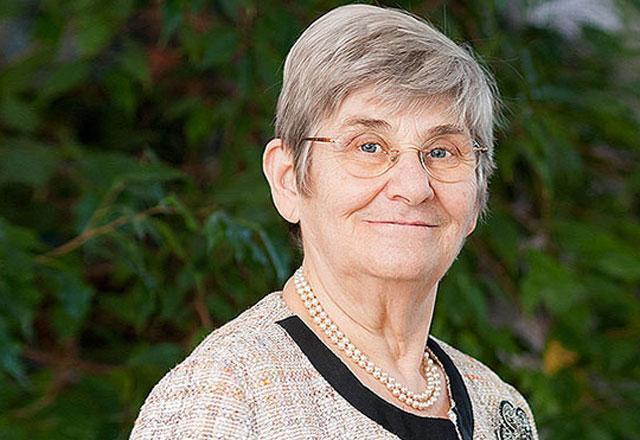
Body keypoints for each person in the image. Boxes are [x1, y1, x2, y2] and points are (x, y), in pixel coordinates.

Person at [131, 4, 538, 439]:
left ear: (476, 192)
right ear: (288, 179)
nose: (413, 187)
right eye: (369, 146)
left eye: (441, 152)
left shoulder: (497, 406)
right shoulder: (225, 394)